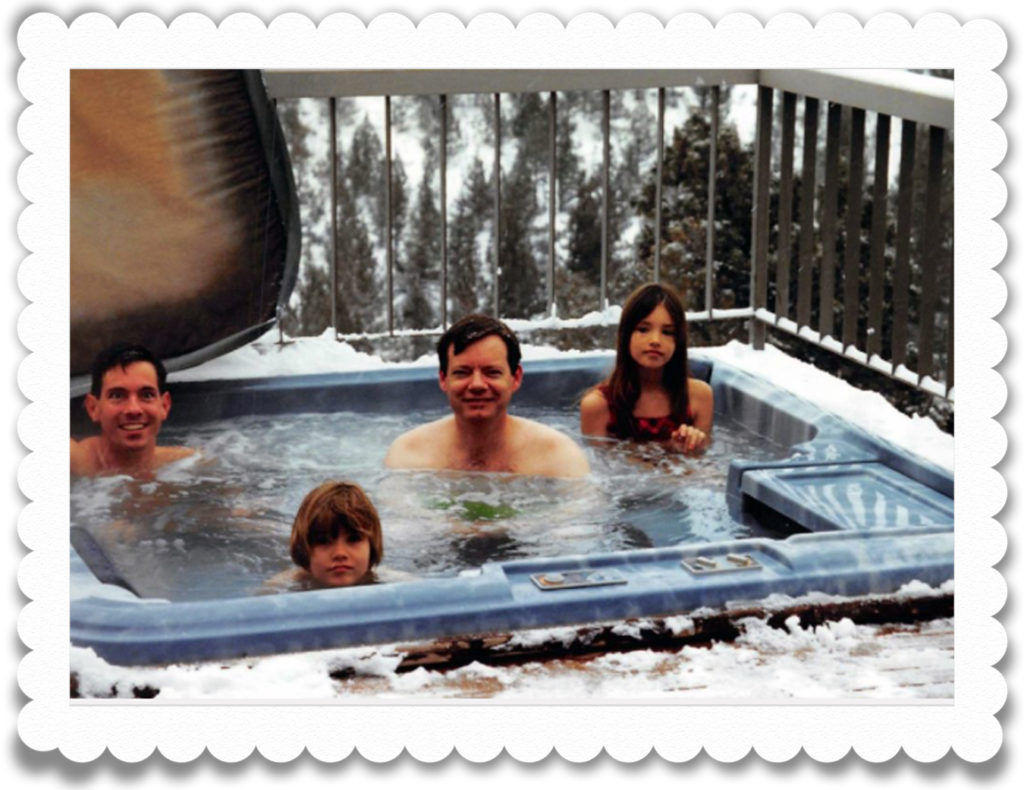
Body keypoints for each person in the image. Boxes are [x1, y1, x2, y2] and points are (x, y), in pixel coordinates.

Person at [385, 314, 590, 478]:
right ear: (443, 379)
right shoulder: (409, 456)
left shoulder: (556, 456)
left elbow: (575, 524)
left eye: (492, 372)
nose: (477, 385)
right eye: (462, 373)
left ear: (515, 378)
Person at [580, 282, 713, 454]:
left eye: (667, 332)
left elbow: (701, 467)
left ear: (678, 341)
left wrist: (691, 447)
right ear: (626, 335)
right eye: (643, 329)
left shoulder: (698, 397)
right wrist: (667, 450)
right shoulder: (598, 405)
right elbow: (601, 472)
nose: (656, 340)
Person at [70, 343, 195, 477]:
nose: (133, 409)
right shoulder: (75, 462)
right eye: (117, 395)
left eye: (147, 395)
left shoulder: (187, 463)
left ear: (164, 406)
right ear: (93, 408)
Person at [272, 480, 384, 590]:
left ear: (372, 546)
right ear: (303, 550)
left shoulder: (392, 583)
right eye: (323, 541)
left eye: (353, 539)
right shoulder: (280, 587)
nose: (340, 553)